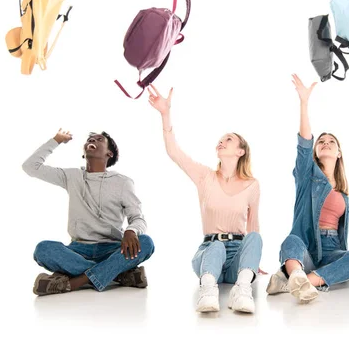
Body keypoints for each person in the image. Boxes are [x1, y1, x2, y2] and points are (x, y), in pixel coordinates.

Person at [148, 85, 262, 314]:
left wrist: (253, 261)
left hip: (237, 256)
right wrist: (165, 114)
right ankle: (208, 291)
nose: (221, 142)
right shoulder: (205, 177)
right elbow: (175, 153)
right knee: (217, 246)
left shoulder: (252, 185)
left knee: (256, 238)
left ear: (241, 151)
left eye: (228, 139)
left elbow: (253, 226)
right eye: (220, 140)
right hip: (209, 252)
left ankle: (242, 289)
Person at [266, 74, 349, 303]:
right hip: (307, 246)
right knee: (290, 241)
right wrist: (304, 103)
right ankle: (302, 276)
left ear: (339, 153)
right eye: (321, 141)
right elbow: (304, 144)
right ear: (316, 151)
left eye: (332, 142)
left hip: (332, 249)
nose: (326, 143)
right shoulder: (307, 176)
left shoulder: (343, 192)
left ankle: (296, 281)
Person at [24, 129, 154, 296]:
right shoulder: (71, 176)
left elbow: (138, 219)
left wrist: (131, 231)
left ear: (109, 153)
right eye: (90, 139)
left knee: (146, 242)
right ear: (84, 154)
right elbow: (30, 167)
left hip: (113, 249)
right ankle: (119, 274)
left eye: (99, 139)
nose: (92, 140)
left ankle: (74, 282)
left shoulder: (123, 182)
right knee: (44, 249)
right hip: (78, 251)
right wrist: (56, 140)